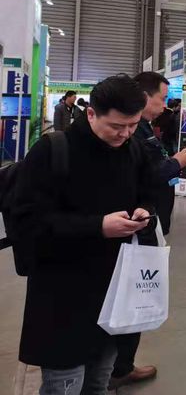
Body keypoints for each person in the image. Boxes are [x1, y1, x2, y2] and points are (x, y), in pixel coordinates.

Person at [12, 74, 158, 395]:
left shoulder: (133, 149)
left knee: (98, 382)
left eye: (133, 125)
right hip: (62, 295)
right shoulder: (53, 151)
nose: (125, 133)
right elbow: (29, 223)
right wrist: (98, 226)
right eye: (117, 126)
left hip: (113, 293)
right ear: (91, 113)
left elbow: (148, 192)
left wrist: (144, 212)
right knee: (64, 385)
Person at [107, 72, 186, 390]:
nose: (165, 105)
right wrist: (176, 163)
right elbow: (148, 175)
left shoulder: (142, 130)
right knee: (132, 297)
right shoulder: (134, 134)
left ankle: (120, 365)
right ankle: (118, 368)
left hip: (144, 220)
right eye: (162, 98)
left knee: (135, 296)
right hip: (132, 228)